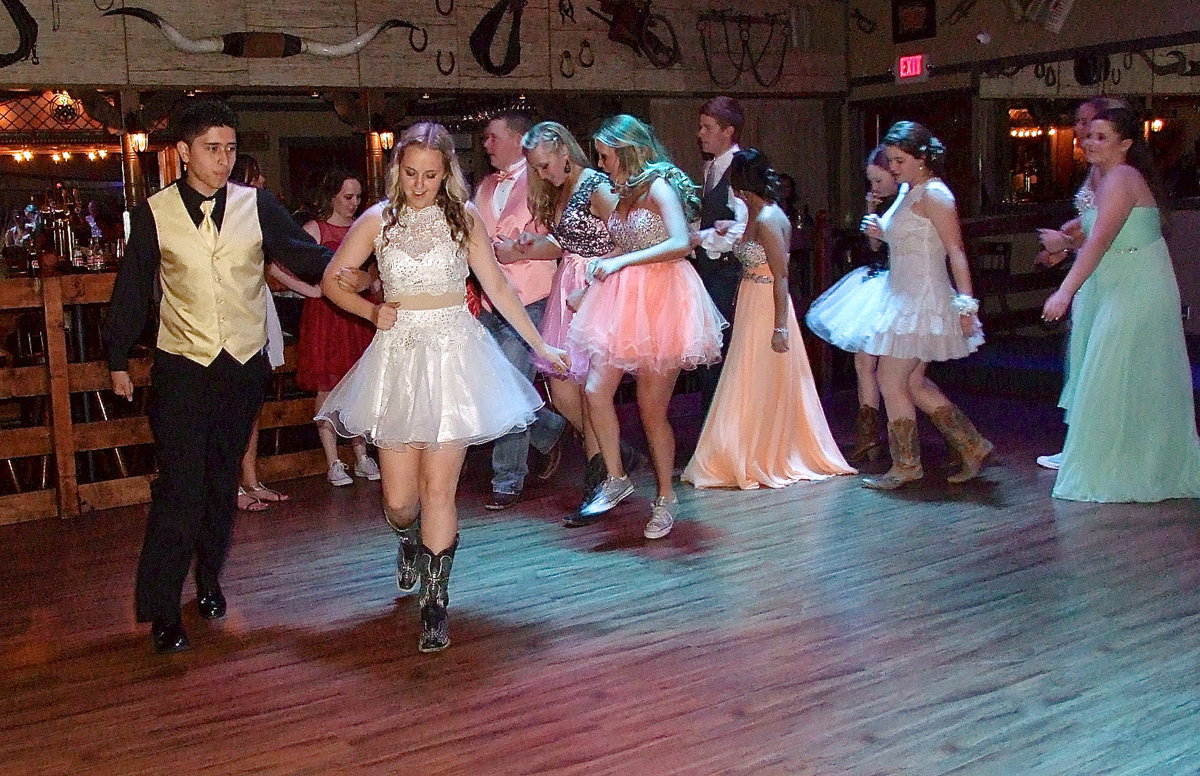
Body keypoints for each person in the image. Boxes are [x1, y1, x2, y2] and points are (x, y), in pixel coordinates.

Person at [315, 122, 569, 652]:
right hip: (399, 357)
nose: (419, 184)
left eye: (431, 175)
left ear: (446, 172)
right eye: (410, 173)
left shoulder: (464, 218)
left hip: (455, 354)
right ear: (397, 169)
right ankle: (406, 539)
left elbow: (497, 284)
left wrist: (541, 345)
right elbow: (332, 280)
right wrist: (371, 310)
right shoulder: (378, 219)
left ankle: (436, 603)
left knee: (439, 488)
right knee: (400, 500)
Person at [103, 100, 331, 653]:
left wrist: (370, 261)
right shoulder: (155, 212)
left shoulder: (259, 205)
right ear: (184, 152)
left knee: (220, 484)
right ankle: (161, 608)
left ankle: (208, 580)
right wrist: (115, 360)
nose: (224, 159)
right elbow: (133, 289)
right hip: (182, 367)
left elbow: (307, 256)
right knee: (180, 488)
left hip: (241, 367)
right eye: (213, 149)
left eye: (230, 148)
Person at [565, 114, 726, 538]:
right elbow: (624, 243)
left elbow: (676, 243)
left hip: (663, 302)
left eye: (604, 155)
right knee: (596, 390)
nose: (601, 164)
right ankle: (616, 478)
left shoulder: (658, 186)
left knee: (652, 411)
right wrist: (593, 286)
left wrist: (617, 262)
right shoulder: (622, 195)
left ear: (624, 149)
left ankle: (666, 498)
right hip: (623, 302)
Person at [1041, 106, 1200, 502]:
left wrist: (1065, 291)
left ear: (1125, 144)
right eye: (1088, 135)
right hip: (1116, 281)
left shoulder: (1124, 177)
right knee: (1115, 374)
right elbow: (1091, 236)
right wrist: (1064, 246)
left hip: (1137, 283)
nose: (1089, 141)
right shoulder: (1110, 180)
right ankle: (1125, 465)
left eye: (1101, 136)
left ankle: (1130, 470)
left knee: (1115, 372)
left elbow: (1102, 241)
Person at [683, 149, 854, 489]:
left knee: (759, 376)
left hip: (765, 302)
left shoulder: (769, 219)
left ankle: (761, 452)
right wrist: (727, 228)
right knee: (745, 375)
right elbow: (747, 248)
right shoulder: (755, 216)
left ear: (744, 185)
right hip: (749, 299)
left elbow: (781, 276)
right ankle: (741, 448)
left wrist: (779, 327)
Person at [858, 121, 992, 490]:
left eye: (900, 160)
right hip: (902, 294)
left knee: (890, 377)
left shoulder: (934, 194)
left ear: (921, 158)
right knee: (913, 382)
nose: (893, 167)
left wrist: (966, 307)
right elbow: (901, 239)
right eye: (891, 160)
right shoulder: (909, 191)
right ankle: (973, 445)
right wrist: (879, 232)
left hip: (923, 298)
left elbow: (955, 251)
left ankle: (906, 465)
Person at [517, 121, 620, 504]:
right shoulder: (563, 189)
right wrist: (530, 245)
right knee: (563, 391)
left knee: (592, 389)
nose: (542, 174)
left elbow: (626, 237)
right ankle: (611, 458)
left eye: (544, 165)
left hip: (594, 286)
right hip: (567, 286)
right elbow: (564, 243)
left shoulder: (595, 184)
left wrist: (593, 280)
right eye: (537, 169)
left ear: (564, 151)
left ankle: (602, 479)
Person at [473, 114, 567, 510]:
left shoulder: (541, 179)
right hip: (490, 301)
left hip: (531, 297)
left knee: (509, 386)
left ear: (515, 137)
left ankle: (507, 479)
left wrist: (521, 249)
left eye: (492, 137)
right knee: (485, 386)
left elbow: (565, 236)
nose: (486, 145)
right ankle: (550, 429)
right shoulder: (483, 186)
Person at [1033, 96, 1129, 471]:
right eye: (1080, 124)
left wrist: (1066, 244)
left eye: (1088, 124)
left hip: (1107, 273)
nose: (1082, 131)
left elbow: (1106, 233)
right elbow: (1088, 224)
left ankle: (1091, 446)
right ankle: (1078, 443)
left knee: (1094, 358)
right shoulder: (1096, 170)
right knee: (1080, 357)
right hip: (1090, 270)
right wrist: (1064, 245)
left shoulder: (1117, 173)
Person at [806, 145, 897, 463]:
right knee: (863, 363)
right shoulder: (883, 205)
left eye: (878, 179)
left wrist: (885, 232)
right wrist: (872, 213)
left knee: (895, 372)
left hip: (898, 288)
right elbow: (874, 247)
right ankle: (868, 436)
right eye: (870, 181)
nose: (874, 186)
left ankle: (902, 439)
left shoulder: (909, 203)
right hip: (874, 281)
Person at [295, 168, 381, 487]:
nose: (353, 203)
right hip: (325, 315)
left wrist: (371, 284)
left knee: (357, 385)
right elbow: (278, 263)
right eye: (348, 196)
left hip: (355, 315)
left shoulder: (364, 229)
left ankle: (361, 455)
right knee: (327, 385)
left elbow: (373, 272)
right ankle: (333, 459)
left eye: (358, 197)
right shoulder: (315, 229)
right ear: (332, 195)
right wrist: (312, 290)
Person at [227, 154, 291, 512]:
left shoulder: (260, 214)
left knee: (252, 401)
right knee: (230, 406)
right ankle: (229, 485)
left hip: (258, 301)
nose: (264, 180)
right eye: (256, 176)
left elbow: (273, 265)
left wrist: (317, 286)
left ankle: (250, 479)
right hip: (234, 309)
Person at [692, 96, 747, 414]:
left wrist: (702, 238)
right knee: (709, 355)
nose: (701, 134)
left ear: (728, 131)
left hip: (728, 275)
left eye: (707, 127)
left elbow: (745, 226)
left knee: (721, 354)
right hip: (710, 273)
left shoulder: (740, 169)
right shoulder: (712, 166)